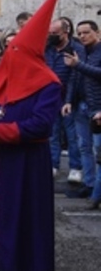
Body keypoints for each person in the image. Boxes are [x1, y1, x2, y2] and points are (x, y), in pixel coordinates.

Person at [0, 0, 63, 271]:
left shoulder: (48, 84)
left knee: (22, 214)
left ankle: (23, 266)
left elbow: (39, 125)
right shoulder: (3, 78)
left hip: (26, 161)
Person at [63, 20, 101, 207]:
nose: (83, 36)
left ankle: (97, 192)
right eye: (80, 33)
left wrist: (78, 65)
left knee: (98, 150)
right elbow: (73, 78)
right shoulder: (80, 52)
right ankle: (89, 183)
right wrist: (69, 101)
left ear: (97, 33)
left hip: (97, 108)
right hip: (81, 105)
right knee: (84, 147)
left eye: (86, 32)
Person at [44, 18, 86, 184]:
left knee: (72, 134)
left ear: (65, 33)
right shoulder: (48, 49)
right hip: (50, 96)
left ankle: (75, 167)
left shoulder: (76, 49)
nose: (51, 36)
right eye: (50, 33)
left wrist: (68, 99)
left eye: (55, 33)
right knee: (52, 133)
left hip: (69, 96)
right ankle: (52, 165)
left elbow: (75, 76)